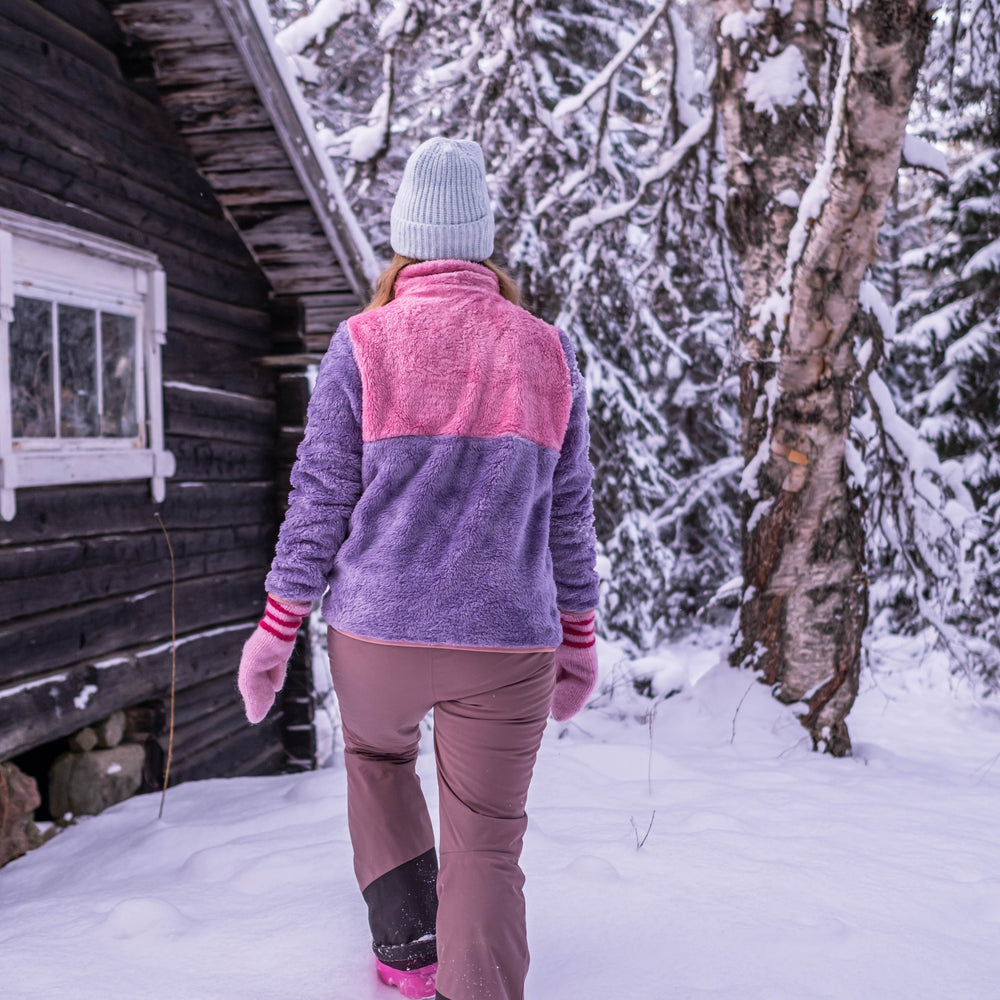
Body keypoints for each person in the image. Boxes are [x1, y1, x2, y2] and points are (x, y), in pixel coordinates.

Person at [237, 137, 600, 1000]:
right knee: (486, 836)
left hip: (377, 630)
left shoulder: (363, 343)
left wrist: (276, 625)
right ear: (482, 241)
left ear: (403, 240)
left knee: (377, 761)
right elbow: (570, 510)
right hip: (506, 639)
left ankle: (408, 960)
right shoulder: (546, 351)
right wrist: (578, 637)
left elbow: (320, 497)